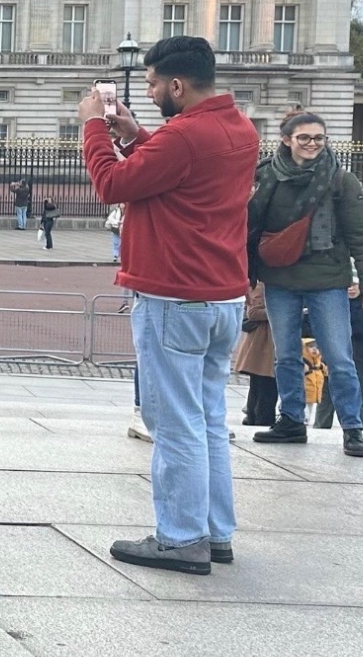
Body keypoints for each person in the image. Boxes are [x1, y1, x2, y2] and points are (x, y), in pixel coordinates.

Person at [79, 35, 258, 574]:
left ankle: (181, 538)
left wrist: (93, 126)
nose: (151, 91)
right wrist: (136, 135)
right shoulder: (239, 127)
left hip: (174, 293)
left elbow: (111, 184)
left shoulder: (183, 136)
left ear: (177, 85)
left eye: (154, 83)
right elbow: (177, 171)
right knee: (208, 418)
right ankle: (216, 532)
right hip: (222, 293)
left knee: (174, 421)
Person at [247, 111, 363, 457]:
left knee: (339, 357)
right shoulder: (266, 176)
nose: (312, 144)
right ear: (287, 140)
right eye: (304, 137)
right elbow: (250, 228)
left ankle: (352, 428)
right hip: (279, 277)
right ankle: (292, 420)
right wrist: (247, 275)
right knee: (286, 355)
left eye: (319, 138)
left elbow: (362, 235)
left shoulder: (340, 180)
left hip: (327, 279)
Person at [314, 281, 363, 432]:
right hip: (334, 356)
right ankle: (320, 429)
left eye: (355, 285)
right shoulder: (332, 304)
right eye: (348, 285)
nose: (351, 289)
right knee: (327, 397)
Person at [234, 283, 277, 428]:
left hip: (267, 342)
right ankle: (261, 418)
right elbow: (253, 312)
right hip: (262, 343)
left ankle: (255, 416)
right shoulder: (261, 286)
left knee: (262, 383)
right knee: (264, 383)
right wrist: (280, 310)